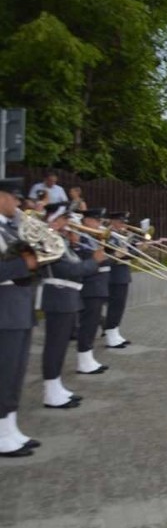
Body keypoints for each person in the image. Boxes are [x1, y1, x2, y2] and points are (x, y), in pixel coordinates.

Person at [39, 203, 105, 408]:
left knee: (60, 347)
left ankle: (56, 386)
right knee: (54, 346)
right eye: (64, 219)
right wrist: (94, 261)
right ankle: (51, 391)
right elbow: (68, 270)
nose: (68, 223)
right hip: (58, 295)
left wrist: (75, 246)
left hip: (67, 297)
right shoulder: (47, 239)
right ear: (54, 220)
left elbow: (73, 265)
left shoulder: (61, 240)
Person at [0, 178, 41, 457]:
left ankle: (10, 427)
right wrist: (22, 264)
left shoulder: (12, 228)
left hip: (20, 307)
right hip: (5, 309)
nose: (18, 203)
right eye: (14, 197)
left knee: (15, 372)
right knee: (4, 373)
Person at [75, 208, 112, 374]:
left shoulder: (94, 237)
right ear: (87, 220)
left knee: (92, 323)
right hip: (89, 285)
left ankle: (88, 357)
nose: (99, 224)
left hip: (99, 284)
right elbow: (84, 260)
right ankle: (83, 358)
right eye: (96, 220)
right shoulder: (81, 238)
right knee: (88, 324)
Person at [103, 212, 136, 349]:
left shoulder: (121, 236)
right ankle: (110, 333)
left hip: (123, 274)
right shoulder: (108, 236)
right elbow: (114, 255)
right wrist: (125, 252)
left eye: (124, 222)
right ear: (113, 222)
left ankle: (115, 331)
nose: (123, 225)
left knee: (120, 306)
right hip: (114, 275)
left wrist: (139, 248)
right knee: (114, 306)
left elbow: (130, 254)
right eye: (121, 222)